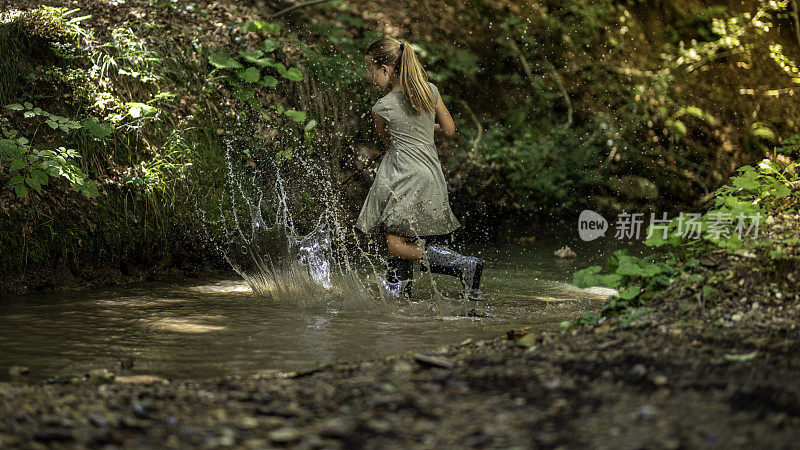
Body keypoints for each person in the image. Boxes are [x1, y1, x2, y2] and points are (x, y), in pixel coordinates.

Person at [356, 36, 484, 300]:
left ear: (385, 69)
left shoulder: (382, 107)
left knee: (395, 245)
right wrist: (424, 130)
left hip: (404, 176)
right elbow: (448, 129)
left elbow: (388, 141)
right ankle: (398, 294)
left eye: (372, 71)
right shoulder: (430, 91)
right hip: (430, 175)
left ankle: (463, 265)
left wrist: (407, 134)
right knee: (407, 238)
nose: (371, 78)